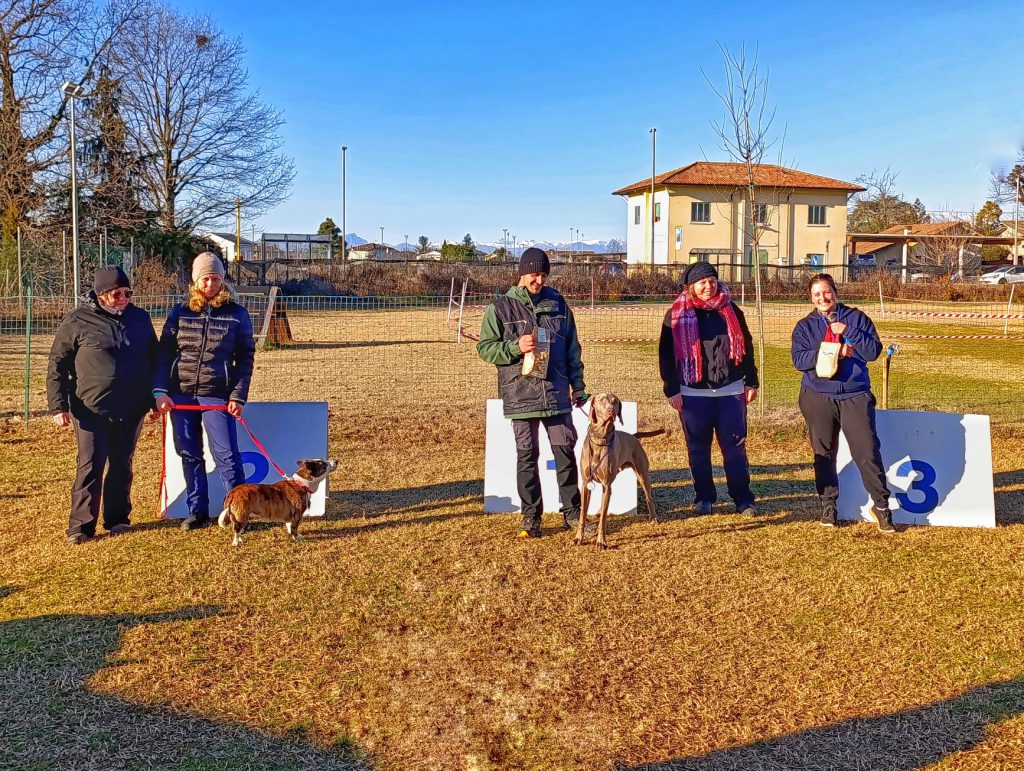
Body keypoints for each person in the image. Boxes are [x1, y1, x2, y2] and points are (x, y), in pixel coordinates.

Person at [477, 247, 588, 538]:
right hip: (520, 395)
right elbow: (485, 349)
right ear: (522, 273)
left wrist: (578, 385)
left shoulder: (558, 304)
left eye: (543, 275)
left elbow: (572, 348)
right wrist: (515, 347)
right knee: (526, 458)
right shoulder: (499, 308)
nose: (539, 280)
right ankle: (531, 518)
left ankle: (573, 515)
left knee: (565, 454)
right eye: (534, 274)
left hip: (556, 394)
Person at [47, 266, 157, 544]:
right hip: (90, 407)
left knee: (122, 464)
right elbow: (58, 364)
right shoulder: (78, 320)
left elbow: (153, 359)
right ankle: (81, 526)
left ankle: (118, 518)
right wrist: (58, 405)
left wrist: (154, 399)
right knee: (90, 464)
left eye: (128, 293)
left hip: (131, 407)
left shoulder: (140, 318)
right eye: (116, 294)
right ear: (100, 294)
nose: (123, 299)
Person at [153, 253, 256, 530]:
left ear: (223, 281)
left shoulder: (237, 314)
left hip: (217, 395)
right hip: (181, 395)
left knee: (227, 455)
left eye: (216, 279)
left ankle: (239, 512)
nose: (210, 284)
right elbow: (164, 353)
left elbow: (245, 358)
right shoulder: (179, 312)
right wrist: (160, 391)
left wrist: (237, 395)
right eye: (205, 279)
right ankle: (197, 510)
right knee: (190, 454)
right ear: (196, 281)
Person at [791, 273, 896, 533]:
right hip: (818, 396)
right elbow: (799, 361)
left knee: (867, 451)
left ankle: (881, 506)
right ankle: (828, 505)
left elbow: (873, 352)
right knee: (824, 453)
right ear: (811, 298)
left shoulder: (857, 318)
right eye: (816, 294)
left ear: (835, 292)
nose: (822, 298)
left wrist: (847, 331)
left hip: (854, 395)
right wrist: (833, 350)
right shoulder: (805, 327)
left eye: (826, 292)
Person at [659, 262, 758, 517]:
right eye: (702, 282)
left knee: (735, 450)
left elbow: (746, 346)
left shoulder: (731, 310)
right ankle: (704, 497)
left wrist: (751, 381)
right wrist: (672, 390)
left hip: (730, 390)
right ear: (690, 286)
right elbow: (666, 355)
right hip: (692, 393)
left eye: (712, 281)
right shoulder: (676, 314)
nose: (708, 286)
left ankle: (743, 499)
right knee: (698, 450)